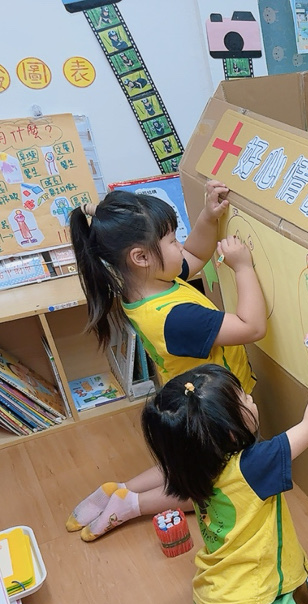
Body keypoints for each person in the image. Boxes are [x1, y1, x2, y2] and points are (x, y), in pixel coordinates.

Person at [67, 181, 267, 540]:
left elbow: (195, 255)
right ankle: (133, 505)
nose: (180, 246)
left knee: (187, 461)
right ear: (141, 257)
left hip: (188, 399)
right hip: (210, 409)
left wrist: (208, 217)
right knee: (215, 483)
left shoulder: (148, 284)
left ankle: (119, 490)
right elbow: (252, 326)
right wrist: (243, 267)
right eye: (172, 240)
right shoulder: (174, 316)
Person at [140, 332, 308, 604]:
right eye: (244, 400)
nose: (251, 399)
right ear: (231, 432)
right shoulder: (253, 467)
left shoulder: (196, 468)